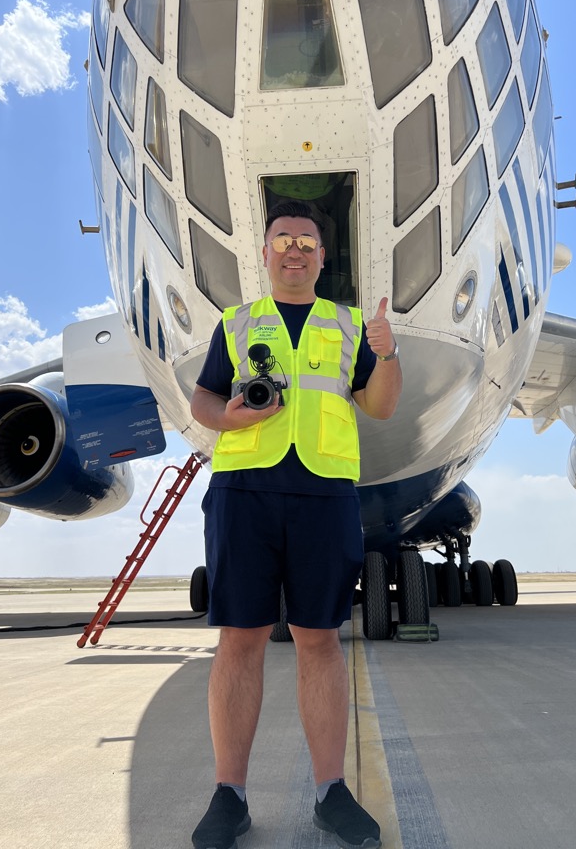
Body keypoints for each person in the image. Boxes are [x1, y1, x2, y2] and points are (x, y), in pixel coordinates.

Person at [190, 199, 402, 849]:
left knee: (319, 642)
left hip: (323, 493)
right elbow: (202, 400)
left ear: (321, 256)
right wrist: (233, 419)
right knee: (240, 641)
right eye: (283, 240)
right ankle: (229, 795)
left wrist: (387, 355)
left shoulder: (346, 325)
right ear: (265, 253)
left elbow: (382, 407)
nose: (294, 251)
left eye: (306, 242)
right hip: (244, 492)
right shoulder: (236, 322)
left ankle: (330, 792)